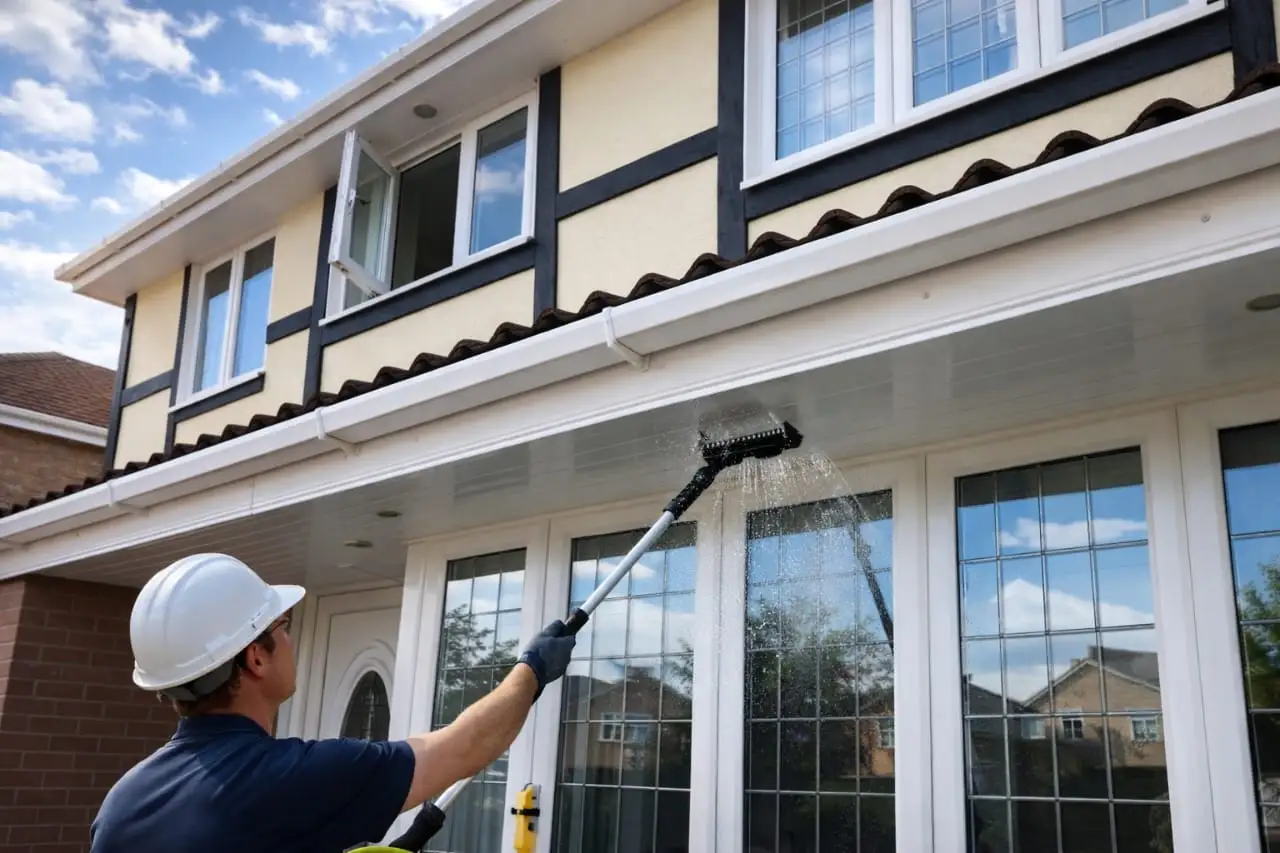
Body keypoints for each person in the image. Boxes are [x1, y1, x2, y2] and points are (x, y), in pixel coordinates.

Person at [88, 552, 575, 853]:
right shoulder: (291, 781)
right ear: (256, 658)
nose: (293, 640)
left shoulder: (123, 803)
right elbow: (464, 747)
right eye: (284, 628)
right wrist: (530, 671)